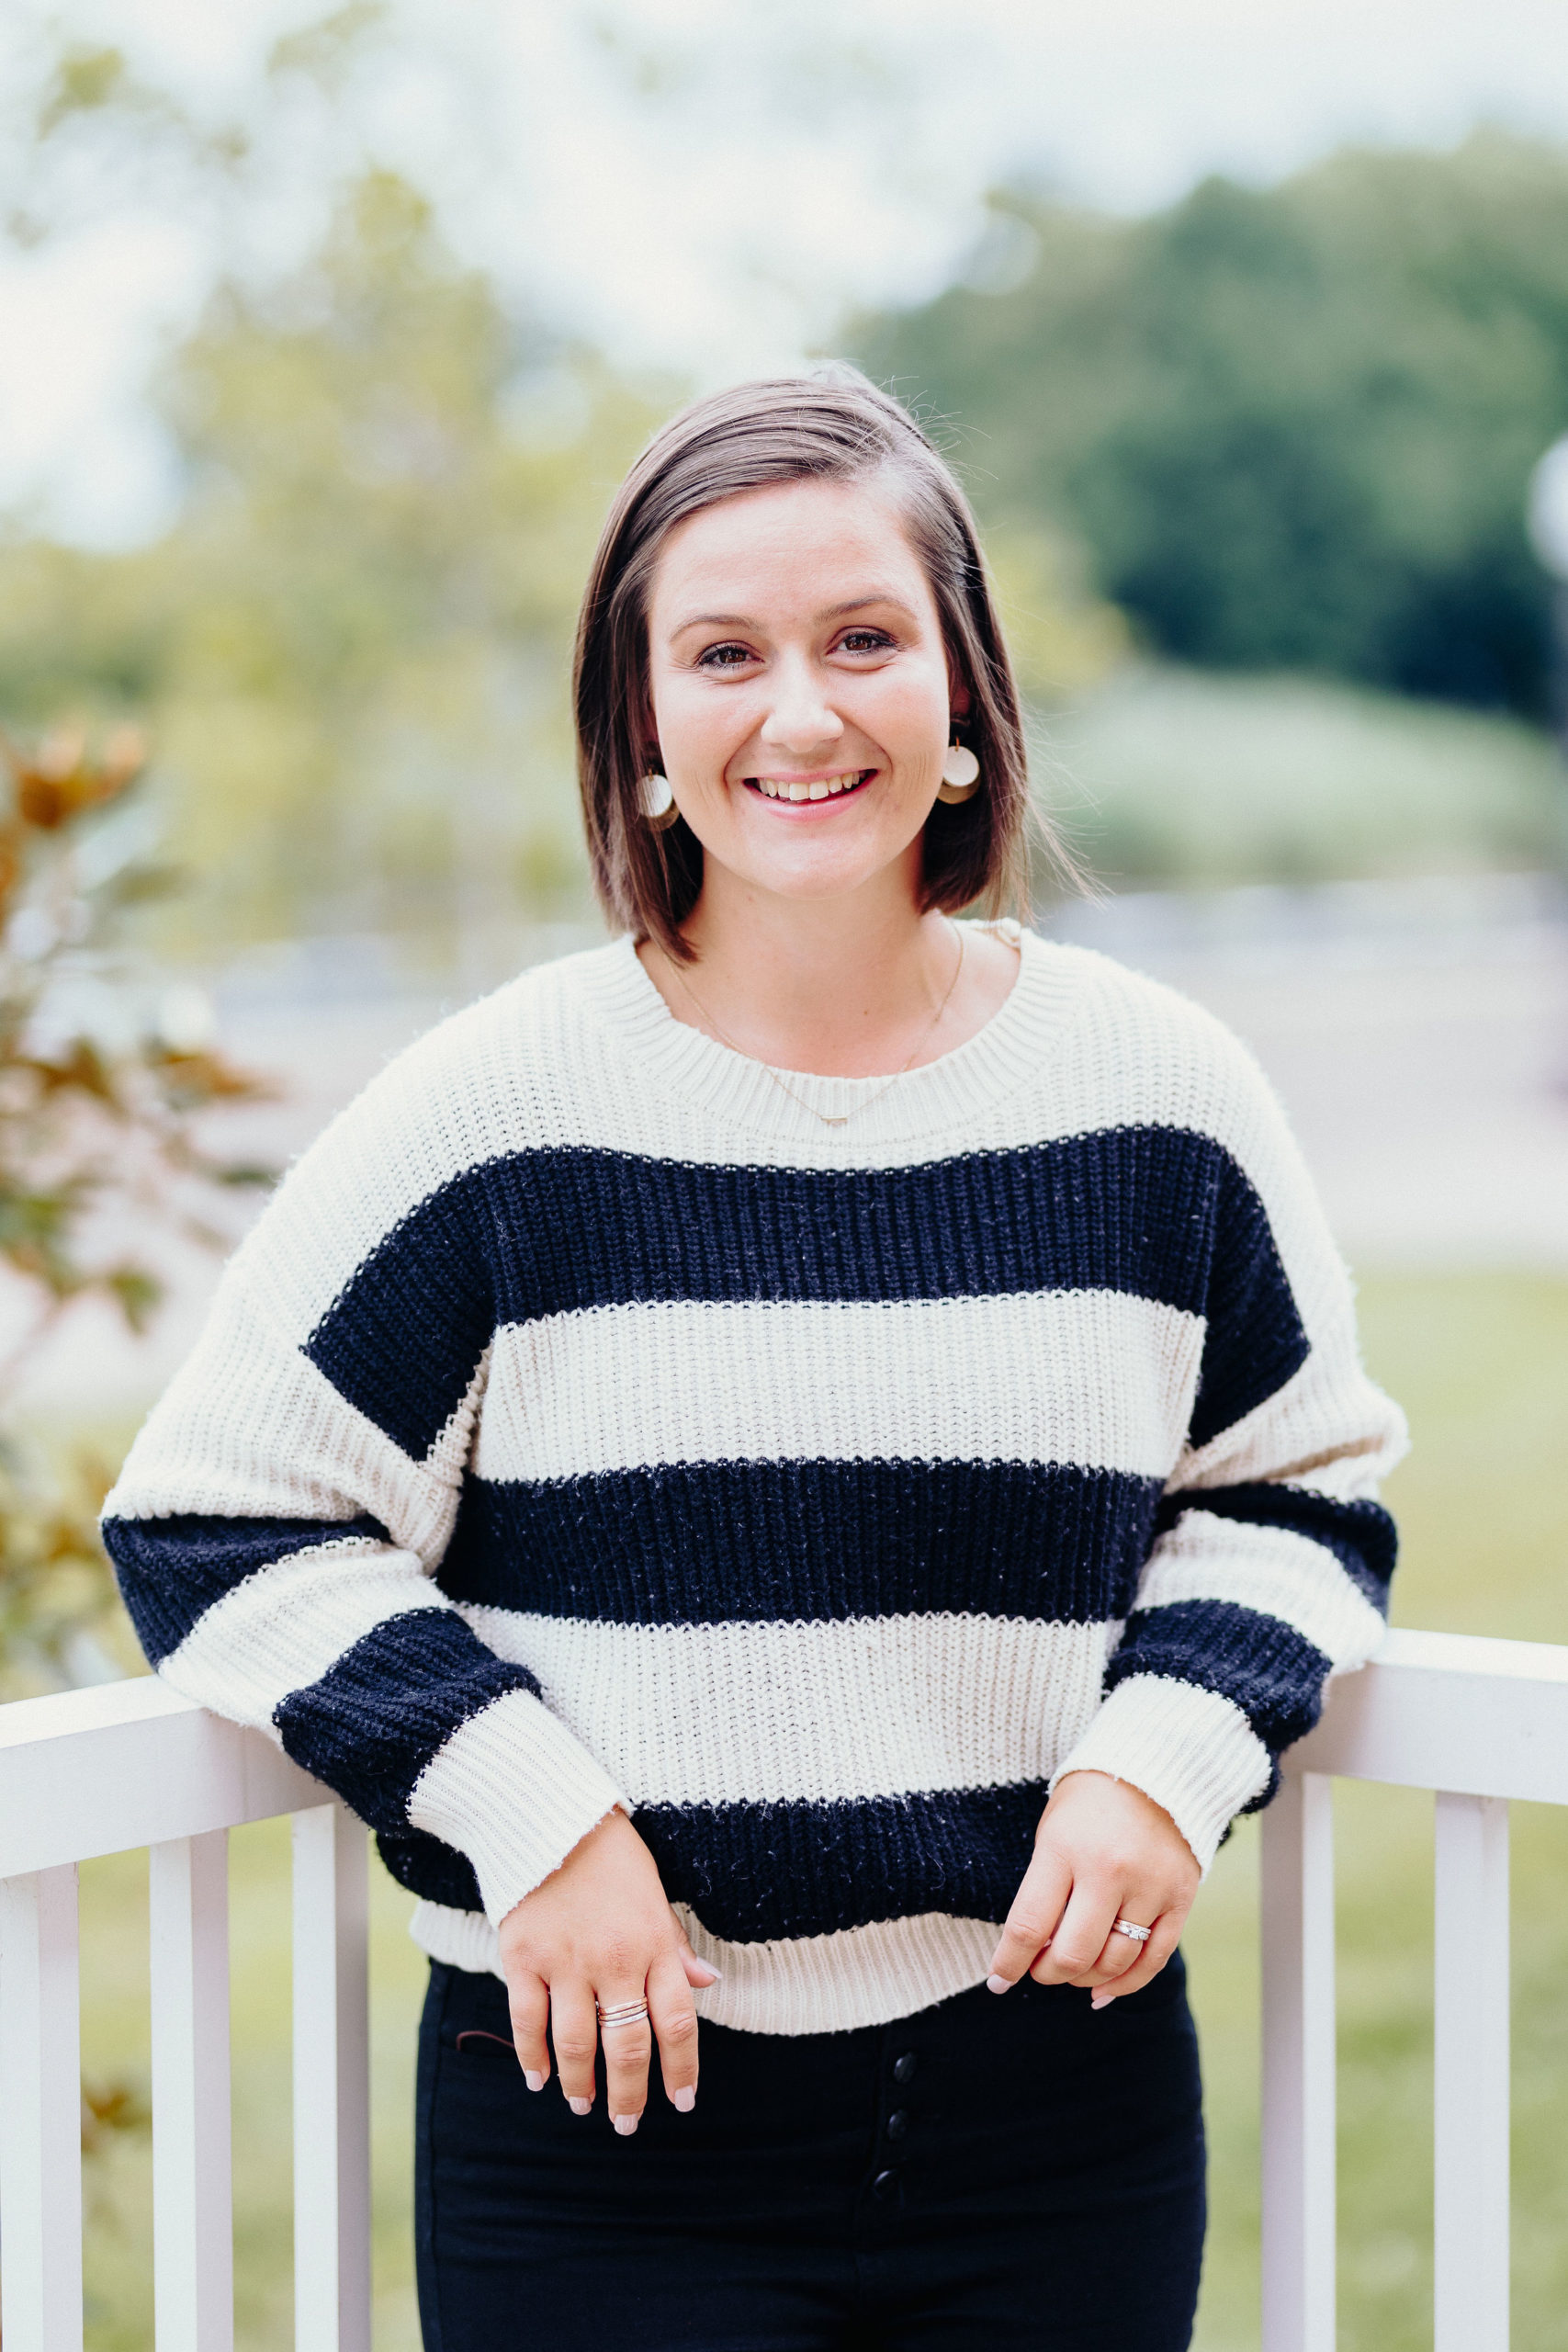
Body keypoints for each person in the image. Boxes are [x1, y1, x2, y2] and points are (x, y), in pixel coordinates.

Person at [101, 368, 1405, 2351]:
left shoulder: (1158, 1098)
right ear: (637, 729)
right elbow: (218, 1514)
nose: (799, 712)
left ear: (960, 693)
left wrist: (1162, 1757)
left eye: (863, 638)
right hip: (612, 2116)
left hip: (1062, 2110)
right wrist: (528, 1808)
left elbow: (1295, 1489)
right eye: (721, 652)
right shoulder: (496, 1114)